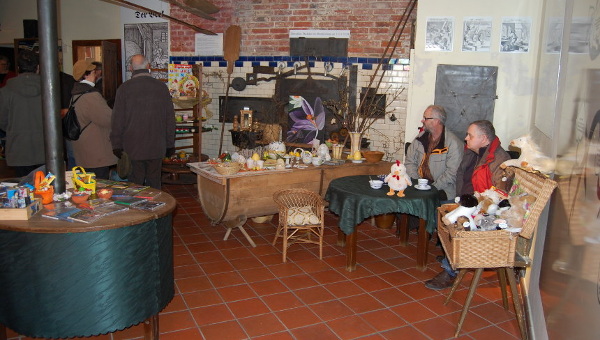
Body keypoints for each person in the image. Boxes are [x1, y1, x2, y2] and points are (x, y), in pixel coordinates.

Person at [425, 120, 513, 290]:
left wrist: (473, 209)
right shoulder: (472, 152)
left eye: (470, 136)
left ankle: (450, 270)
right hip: (465, 200)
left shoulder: (499, 161)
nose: (466, 138)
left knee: (459, 226)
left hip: (482, 211)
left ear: (484, 138)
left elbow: (499, 196)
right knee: (442, 212)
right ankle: (452, 254)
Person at [111, 54, 175, 189]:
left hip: (133, 147)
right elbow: (169, 118)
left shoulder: (124, 89)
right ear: (148, 67)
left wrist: (116, 144)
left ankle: (138, 209)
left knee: (135, 185)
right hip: (156, 146)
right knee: (154, 182)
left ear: (130, 68)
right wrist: (170, 144)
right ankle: (157, 209)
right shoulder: (161, 88)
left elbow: (117, 120)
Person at [69, 59, 117, 179]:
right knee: (99, 185)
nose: (96, 73)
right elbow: (108, 119)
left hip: (84, 147)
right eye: (93, 71)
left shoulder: (77, 93)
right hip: (95, 152)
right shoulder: (91, 95)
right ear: (87, 74)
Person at [0, 50, 45, 177]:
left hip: (19, 146)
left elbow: (2, 120)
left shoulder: (5, 91)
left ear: (18, 68)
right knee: (46, 189)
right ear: (38, 67)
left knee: (24, 190)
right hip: (45, 146)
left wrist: (13, 129)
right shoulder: (50, 88)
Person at [405, 105, 463, 200]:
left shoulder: (453, 144)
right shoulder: (419, 139)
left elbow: (452, 173)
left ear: (437, 121)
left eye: (425, 118)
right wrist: (418, 183)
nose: (422, 120)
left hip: (442, 189)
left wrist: (432, 188)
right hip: (418, 186)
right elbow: (409, 162)